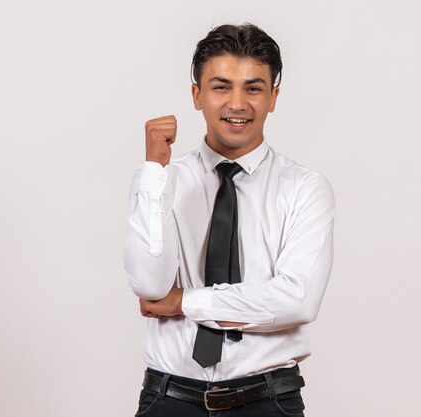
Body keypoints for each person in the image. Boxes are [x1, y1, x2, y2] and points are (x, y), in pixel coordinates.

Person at [123, 23, 335, 417]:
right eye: (221, 87)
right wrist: (155, 170)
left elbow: (297, 300)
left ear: (273, 98)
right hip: (169, 401)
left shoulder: (305, 188)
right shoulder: (161, 181)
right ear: (196, 95)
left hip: (267, 401)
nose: (237, 103)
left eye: (253, 88)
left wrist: (183, 302)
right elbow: (150, 287)